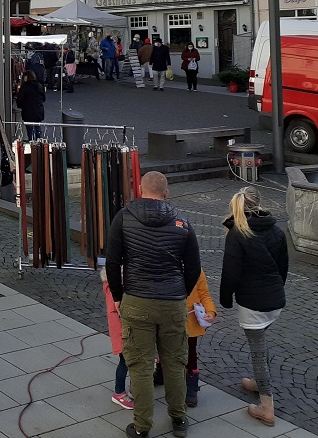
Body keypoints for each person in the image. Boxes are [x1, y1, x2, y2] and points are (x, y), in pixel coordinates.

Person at [105, 171, 200, 438]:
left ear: (139, 189)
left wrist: (118, 295)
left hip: (137, 300)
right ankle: (179, 419)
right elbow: (194, 267)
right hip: (173, 302)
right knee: (174, 362)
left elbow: (112, 262)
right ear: (166, 192)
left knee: (141, 365)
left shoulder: (123, 217)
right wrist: (181, 292)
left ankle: (142, 426)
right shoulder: (182, 221)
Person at [220, 186, 288, 428]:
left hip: (252, 303)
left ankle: (266, 407)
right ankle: (260, 382)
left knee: (257, 352)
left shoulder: (237, 235)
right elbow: (283, 268)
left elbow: (230, 272)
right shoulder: (277, 232)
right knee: (261, 345)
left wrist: (225, 298)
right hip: (274, 301)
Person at [154, 270, 217, 408]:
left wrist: (211, 311)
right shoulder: (167, 266)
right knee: (164, 346)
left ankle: (191, 387)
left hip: (190, 321)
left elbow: (204, 294)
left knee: (191, 355)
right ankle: (160, 373)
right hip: (168, 318)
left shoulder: (197, 271)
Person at [101, 265, 132, 410]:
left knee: (128, 360)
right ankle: (119, 392)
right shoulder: (115, 289)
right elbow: (118, 310)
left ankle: (131, 389)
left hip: (122, 330)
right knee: (125, 361)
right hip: (122, 331)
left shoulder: (114, 285)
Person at [15, 70, 46, 140]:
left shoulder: (25, 86)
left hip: (28, 110)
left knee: (30, 130)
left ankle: (32, 144)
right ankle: (39, 144)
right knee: (38, 129)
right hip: (38, 110)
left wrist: (20, 105)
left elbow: (20, 99)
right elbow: (43, 98)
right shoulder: (39, 85)